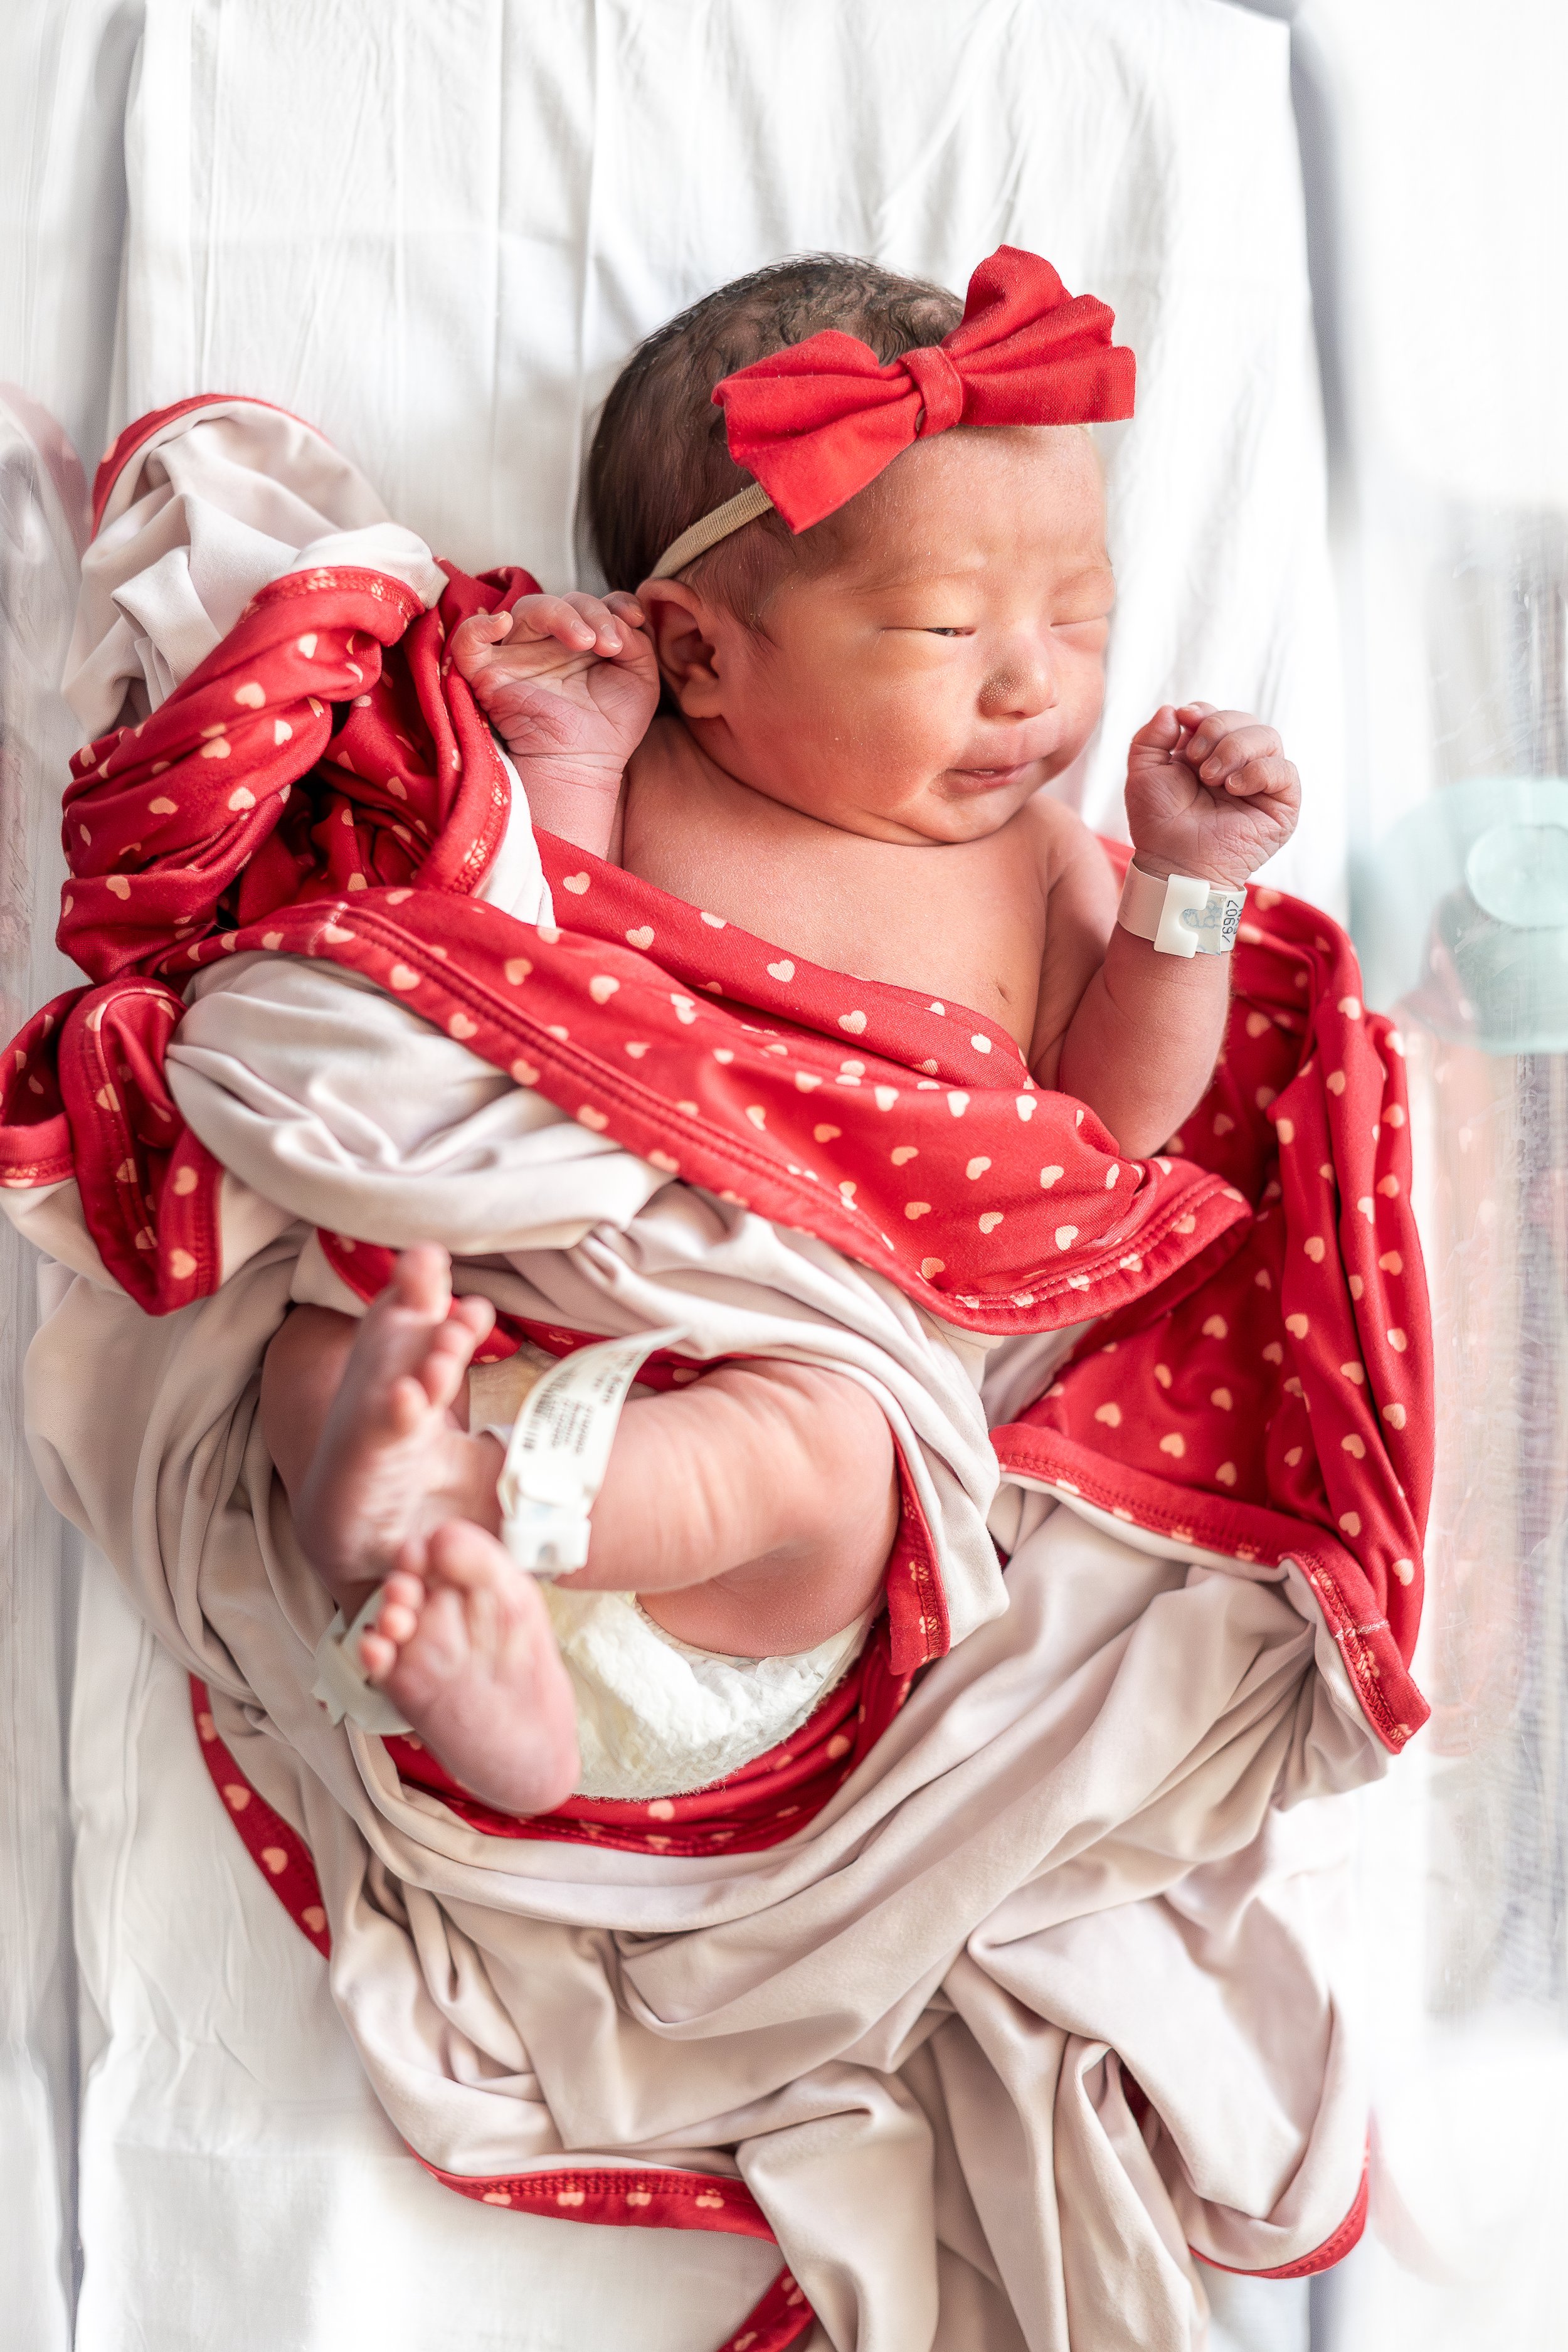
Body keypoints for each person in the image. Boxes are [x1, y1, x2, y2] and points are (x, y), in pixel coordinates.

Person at [255, 248, 1301, 1813]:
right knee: (319, 1334)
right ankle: (437, 1606)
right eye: (942, 633)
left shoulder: (1034, 862)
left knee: (827, 1448)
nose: (1031, 688)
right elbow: (529, 986)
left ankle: (490, 1578)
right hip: (533, 1319)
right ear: (696, 653)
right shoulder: (636, 775)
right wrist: (565, 758)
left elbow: (1114, 1114)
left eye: (1079, 619)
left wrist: (1187, 886)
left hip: (744, 1524)